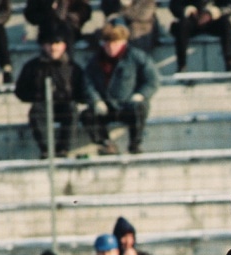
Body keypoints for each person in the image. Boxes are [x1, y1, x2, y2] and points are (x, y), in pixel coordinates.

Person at [80, 22, 160, 156]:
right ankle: (106, 144)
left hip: (128, 105)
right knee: (87, 115)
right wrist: (96, 101)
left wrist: (140, 95)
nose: (111, 47)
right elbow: (88, 83)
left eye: (115, 43)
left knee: (141, 107)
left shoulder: (137, 57)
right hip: (106, 107)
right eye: (107, 43)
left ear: (123, 42)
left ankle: (135, 144)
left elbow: (152, 80)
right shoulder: (95, 60)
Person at [14, 22, 87, 159]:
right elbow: (20, 91)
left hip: (64, 106)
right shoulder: (33, 67)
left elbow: (82, 92)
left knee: (72, 110)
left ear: (64, 45)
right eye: (49, 44)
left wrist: (70, 96)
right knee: (36, 111)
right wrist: (38, 96)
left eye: (57, 43)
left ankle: (63, 149)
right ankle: (47, 150)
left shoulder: (72, 68)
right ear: (43, 45)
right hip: (43, 106)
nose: (53, 48)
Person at [170, 0, 231, 73]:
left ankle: (229, 63)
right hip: (191, 21)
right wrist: (188, 11)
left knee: (226, 24)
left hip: (213, 21)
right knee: (182, 26)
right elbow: (174, 5)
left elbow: (230, 5)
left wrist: (212, 13)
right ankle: (182, 66)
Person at [23, 0, 92, 46]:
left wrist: (67, 17)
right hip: (47, 33)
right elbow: (30, 14)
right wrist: (49, 15)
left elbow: (85, 12)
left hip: (70, 32)